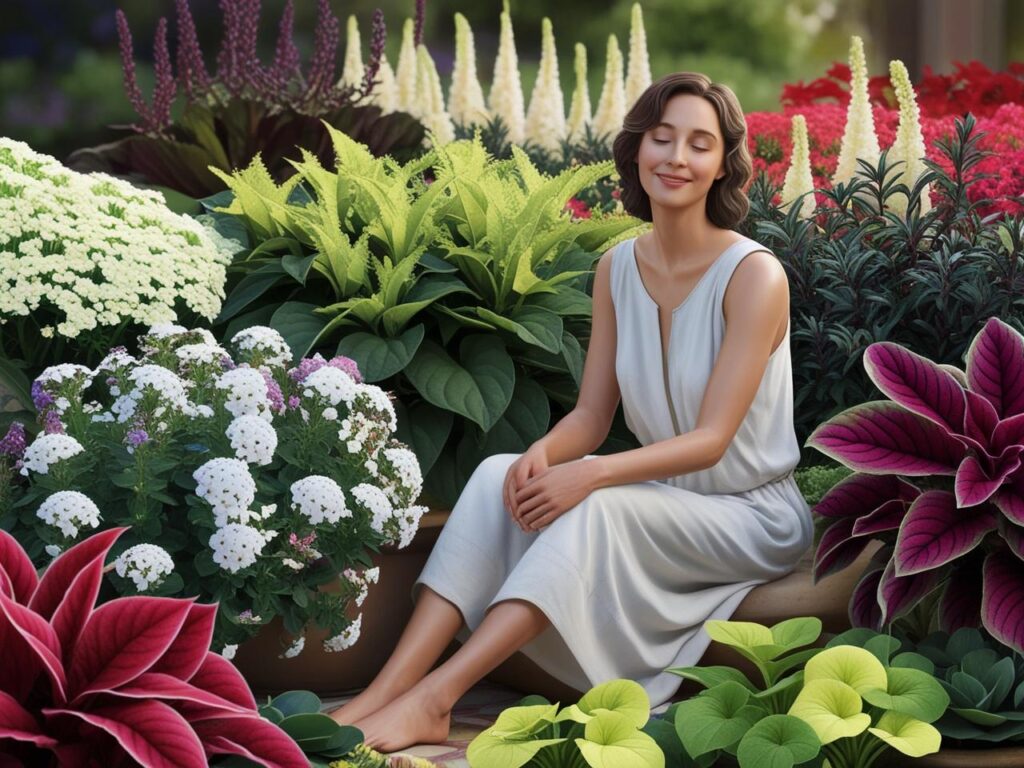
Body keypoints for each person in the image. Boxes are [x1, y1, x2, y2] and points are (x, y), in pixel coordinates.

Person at [329, 71, 813, 752]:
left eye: (699, 144)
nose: (676, 157)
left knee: (598, 501)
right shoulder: (617, 267)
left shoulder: (754, 276)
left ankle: (438, 698)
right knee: (501, 473)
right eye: (662, 137)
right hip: (663, 501)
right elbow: (590, 414)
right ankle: (384, 692)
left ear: (723, 164)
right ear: (637, 149)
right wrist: (548, 456)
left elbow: (710, 441)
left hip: (750, 516)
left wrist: (590, 475)